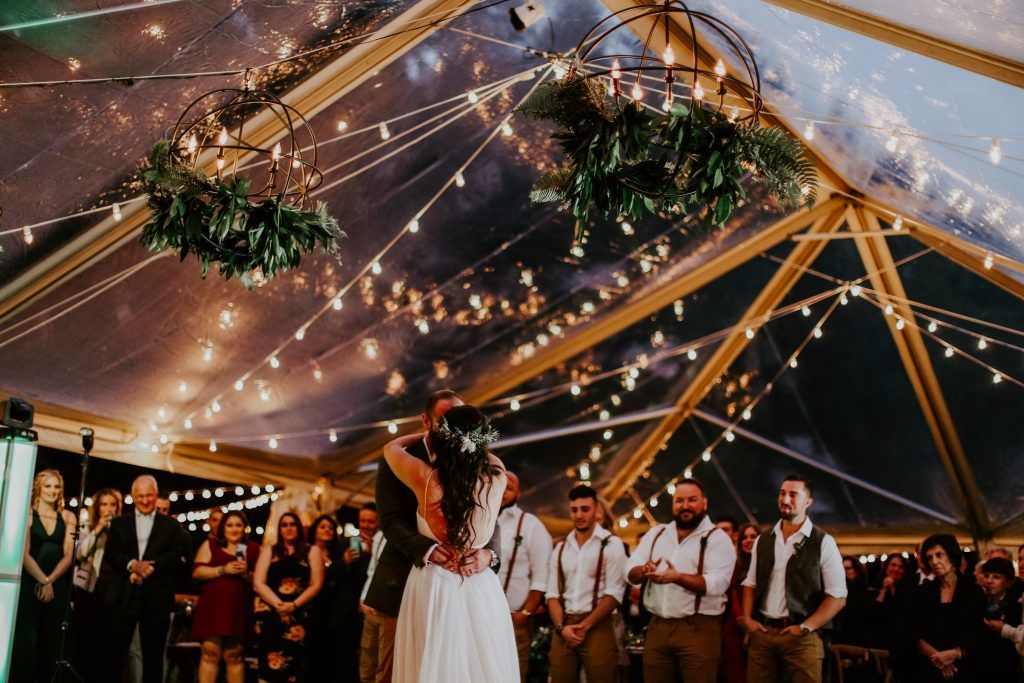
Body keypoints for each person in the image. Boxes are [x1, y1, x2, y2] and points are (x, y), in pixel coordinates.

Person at [363, 389, 502, 683]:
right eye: (444, 419)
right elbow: (389, 518)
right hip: (405, 579)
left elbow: (492, 521)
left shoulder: (474, 468)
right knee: (393, 670)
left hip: (465, 586)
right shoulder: (412, 462)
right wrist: (425, 549)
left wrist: (488, 555)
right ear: (425, 421)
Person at [624, 478, 736, 683]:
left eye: (692, 500)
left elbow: (718, 584)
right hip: (657, 627)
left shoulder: (717, 538)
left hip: (698, 629)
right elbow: (629, 570)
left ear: (705, 503)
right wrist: (643, 570)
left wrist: (677, 577)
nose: (685, 506)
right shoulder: (657, 533)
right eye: (679, 500)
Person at [741, 474, 847, 683]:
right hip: (763, 633)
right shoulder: (763, 539)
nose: (785, 499)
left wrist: (805, 627)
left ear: (808, 502)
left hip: (803, 639)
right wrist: (748, 620)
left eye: (793, 495)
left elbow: (838, 596)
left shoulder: (823, 541)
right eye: (782, 493)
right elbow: (750, 584)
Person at [100, 474, 192, 683]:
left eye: (149, 495)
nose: (144, 500)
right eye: (139, 496)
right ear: (133, 496)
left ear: (155, 495)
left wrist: (152, 567)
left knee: (153, 657)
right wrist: (133, 564)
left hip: (157, 598)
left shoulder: (170, 525)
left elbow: (176, 554)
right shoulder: (120, 523)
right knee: (115, 655)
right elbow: (112, 553)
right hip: (124, 597)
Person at [546, 484, 628, 683]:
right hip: (564, 624)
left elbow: (614, 594)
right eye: (574, 510)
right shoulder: (561, 547)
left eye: (585, 509)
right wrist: (561, 628)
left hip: (597, 625)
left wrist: (585, 625)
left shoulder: (611, 543)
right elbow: (552, 595)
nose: (579, 515)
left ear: (597, 510)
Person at [10, 469, 77, 682]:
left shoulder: (68, 517)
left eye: (56, 486)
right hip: (31, 582)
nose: (53, 491)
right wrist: (42, 580)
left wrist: (50, 581)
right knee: (27, 640)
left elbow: (68, 556)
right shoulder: (27, 514)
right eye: (48, 486)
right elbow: (23, 553)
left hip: (56, 584)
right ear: (39, 488)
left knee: (54, 640)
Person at [253, 512, 325, 683]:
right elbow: (258, 582)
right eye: (284, 525)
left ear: (299, 527)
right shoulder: (270, 550)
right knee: (267, 668)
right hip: (271, 614)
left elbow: (316, 584)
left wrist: (293, 605)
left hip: (298, 616)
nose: (288, 528)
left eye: (292, 524)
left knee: (295, 669)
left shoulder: (311, 551)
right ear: (279, 529)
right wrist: (280, 605)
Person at [191, 511, 260, 683]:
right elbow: (197, 572)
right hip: (213, 607)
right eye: (230, 525)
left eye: (238, 525)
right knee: (210, 652)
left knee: (234, 655)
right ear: (223, 528)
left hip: (238, 607)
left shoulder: (252, 548)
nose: (235, 529)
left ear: (245, 528)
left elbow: (261, 580)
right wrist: (224, 569)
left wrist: (245, 574)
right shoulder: (211, 545)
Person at [497, 471, 553, 682]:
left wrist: (526, 613)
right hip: (480, 614)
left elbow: (542, 574)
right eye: (499, 485)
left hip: (514, 619)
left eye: (509, 487)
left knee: (511, 674)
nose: (502, 491)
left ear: (518, 494)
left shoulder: (530, 525)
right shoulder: (480, 519)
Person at [910, 533, 986, 681]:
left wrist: (957, 652)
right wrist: (938, 659)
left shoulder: (973, 591)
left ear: (951, 556)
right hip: (929, 668)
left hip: (966, 668)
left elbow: (979, 631)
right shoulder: (923, 592)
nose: (934, 561)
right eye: (930, 557)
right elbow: (911, 632)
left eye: (939, 555)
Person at [72, 487, 123, 683]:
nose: (108, 508)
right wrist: (98, 529)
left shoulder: (120, 530)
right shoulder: (87, 527)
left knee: (106, 642)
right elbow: (80, 554)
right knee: (85, 639)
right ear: (97, 507)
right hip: (88, 590)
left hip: (111, 592)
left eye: (112, 504)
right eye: (104, 504)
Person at [720, 523, 759, 683]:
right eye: (744, 537)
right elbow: (733, 597)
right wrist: (744, 622)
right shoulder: (734, 565)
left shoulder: (769, 565)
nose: (748, 540)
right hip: (735, 626)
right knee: (737, 673)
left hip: (762, 626)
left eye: (753, 537)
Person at [868, 554, 916, 675]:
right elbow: (874, 613)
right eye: (893, 565)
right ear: (886, 567)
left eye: (900, 567)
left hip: (898, 645)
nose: (896, 569)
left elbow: (900, 613)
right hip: (877, 642)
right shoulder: (873, 588)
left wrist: (893, 587)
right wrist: (885, 589)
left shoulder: (909, 591)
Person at [306, 513, 341, 680]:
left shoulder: (338, 555)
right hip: (311, 608)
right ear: (315, 531)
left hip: (332, 610)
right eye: (323, 527)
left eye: (330, 528)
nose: (327, 530)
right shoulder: (306, 552)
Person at [977, 557, 1023, 680]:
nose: (989, 581)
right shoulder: (977, 602)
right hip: (981, 667)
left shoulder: (1016, 607)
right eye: (987, 576)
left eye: (996, 577)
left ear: (1008, 582)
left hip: (1007, 668)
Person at [359, 525, 388, 683]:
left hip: (393, 608)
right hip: (372, 604)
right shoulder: (380, 536)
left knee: (385, 661)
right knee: (368, 655)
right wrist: (364, 597)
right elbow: (372, 570)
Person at [832, 556, 870, 646]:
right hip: (840, 639)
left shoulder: (865, 593)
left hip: (858, 640)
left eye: (848, 568)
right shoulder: (836, 592)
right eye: (841, 568)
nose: (843, 571)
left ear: (857, 571)